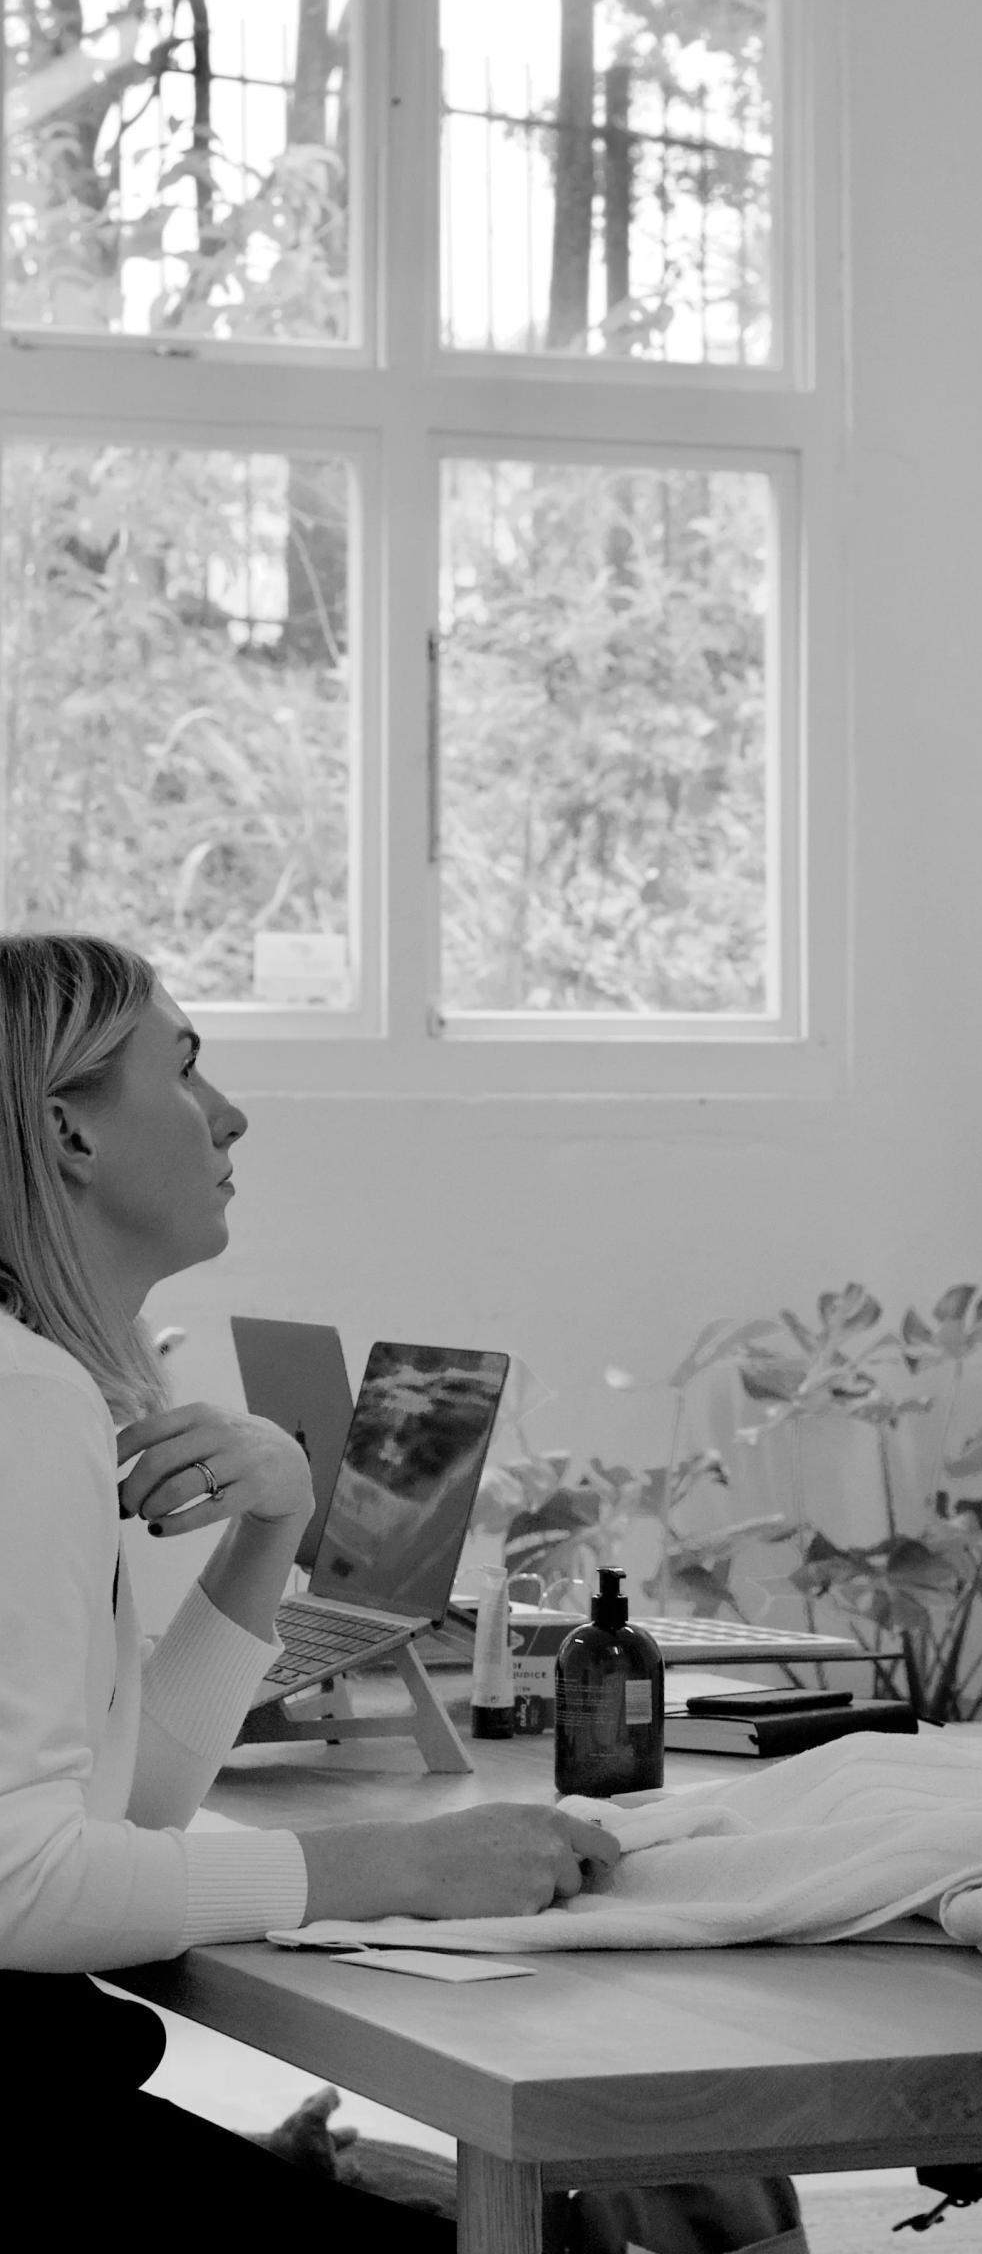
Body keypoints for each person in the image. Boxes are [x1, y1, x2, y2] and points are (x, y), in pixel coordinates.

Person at [0, 930, 622, 2241]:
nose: (229, 1114)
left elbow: (127, 1810)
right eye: (183, 1071)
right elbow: (20, 1886)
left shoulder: (33, 1385)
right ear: (68, 1133)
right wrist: (391, 1861)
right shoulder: (21, 1400)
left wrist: (271, 1524)